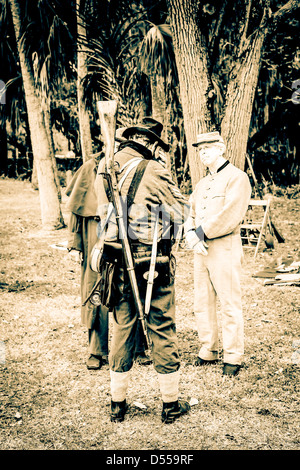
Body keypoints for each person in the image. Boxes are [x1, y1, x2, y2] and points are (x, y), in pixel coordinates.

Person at [94, 117, 191, 423]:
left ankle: (117, 404)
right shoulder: (154, 169)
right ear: (148, 144)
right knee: (161, 327)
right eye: (155, 147)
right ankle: (170, 404)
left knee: (123, 329)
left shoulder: (104, 167)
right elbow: (181, 211)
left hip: (115, 262)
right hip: (150, 263)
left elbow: (103, 214)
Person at [184, 131, 251, 377]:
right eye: (200, 150)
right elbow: (189, 211)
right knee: (203, 301)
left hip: (224, 246)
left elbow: (231, 214)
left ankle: (233, 355)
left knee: (229, 302)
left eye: (208, 148)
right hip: (200, 249)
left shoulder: (237, 178)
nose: (203, 153)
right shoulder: (202, 184)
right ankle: (208, 348)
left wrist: (198, 233)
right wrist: (191, 235)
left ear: (221, 148)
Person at [65, 151, 110, 370]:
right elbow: (76, 208)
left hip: (126, 231)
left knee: (128, 288)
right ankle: (96, 349)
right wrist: (75, 243)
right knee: (95, 290)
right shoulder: (90, 167)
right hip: (94, 231)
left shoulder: (133, 165)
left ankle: (135, 346)